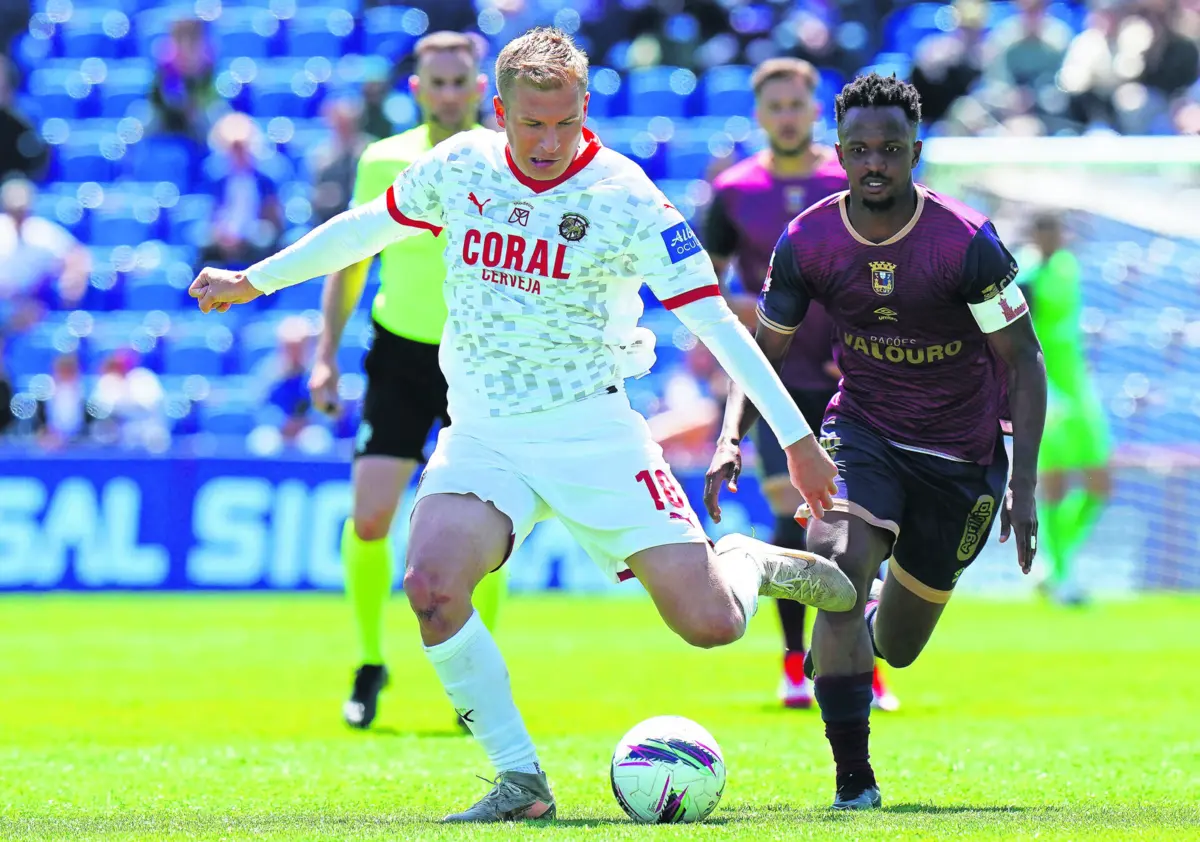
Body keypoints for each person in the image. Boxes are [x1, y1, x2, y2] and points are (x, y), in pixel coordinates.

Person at [189, 26, 858, 822]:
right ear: (498, 110)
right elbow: (366, 226)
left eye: (564, 123)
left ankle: (745, 561)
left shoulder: (627, 198)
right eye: (530, 123)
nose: (546, 141)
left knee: (710, 625)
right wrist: (254, 280)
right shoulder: (459, 166)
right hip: (484, 437)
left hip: (595, 436)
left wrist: (796, 440)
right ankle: (519, 781)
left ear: (586, 109)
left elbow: (716, 324)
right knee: (430, 587)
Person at [705, 73, 1046, 810]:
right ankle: (853, 783)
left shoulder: (965, 242)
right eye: (859, 149)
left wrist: (1021, 488)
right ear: (841, 150)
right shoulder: (811, 239)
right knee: (839, 568)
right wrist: (731, 436)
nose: (874, 164)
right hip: (862, 433)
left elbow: (1025, 359)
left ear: (914, 150)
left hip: (961, 460)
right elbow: (760, 352)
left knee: (899, 644)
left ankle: (858, 620)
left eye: (890, 149)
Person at [305, 31, 501, 730]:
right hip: (398, 354)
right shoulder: (384, 158)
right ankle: (368, 660)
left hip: (478, 359)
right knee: (370, 518)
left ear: (482, 88)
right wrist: (326, 351)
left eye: (461, 81)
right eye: (437, 81)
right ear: (417, 89)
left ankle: (477, 671)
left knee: (483, 526)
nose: (449, 92)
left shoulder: (502, 160)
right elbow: (351, 255)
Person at [705, 56, 897, 712]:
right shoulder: (734, 191)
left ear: (814, 109)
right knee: (793, 515)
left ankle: (864, 665)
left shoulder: (847, 179)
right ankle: (795, 660)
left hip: (857, 376)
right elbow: (706, 288)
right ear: (760, 115)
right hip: (775, 380)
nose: (787, 115)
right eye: (775, 106)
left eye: (797, 104)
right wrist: (758, 326)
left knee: (860, 522)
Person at [1017, 211, 1109, 605]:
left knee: (1099, 484)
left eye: (1055, 229)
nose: (1051, 237)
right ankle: (1058, 574)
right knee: (1053, 483)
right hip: (1047, 390)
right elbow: (1019, 340)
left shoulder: (1069, 267)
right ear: (1034, 235)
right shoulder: (1026, 278)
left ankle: (1057, 567)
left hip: (1079, 388)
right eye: (1043, 230)